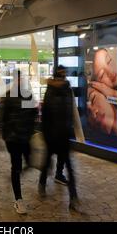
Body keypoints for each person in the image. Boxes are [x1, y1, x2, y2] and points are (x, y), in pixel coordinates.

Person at [38, 65, 79, 211]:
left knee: (61, 163)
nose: (64, 77)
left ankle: (72, 195)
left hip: (58, 134)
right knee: (60, 163)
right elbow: (49, 114)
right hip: (58, 134)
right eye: (63, 74)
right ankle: (71, 195)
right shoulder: (64, 90)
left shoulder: (62, 90)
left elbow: (67, 112)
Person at [0, 70, 37, 215]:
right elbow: (3, 118)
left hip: (25, 137)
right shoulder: (8, 97)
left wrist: (30, 130)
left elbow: (32, 113)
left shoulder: (28, 94)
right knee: (16, 166)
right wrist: (5, 135)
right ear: (14, 80)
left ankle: (17, 173)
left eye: (22, 79)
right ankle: (19, 200)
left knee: (28, 161)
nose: (21, 81)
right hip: (13, 139)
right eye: (18, 79)